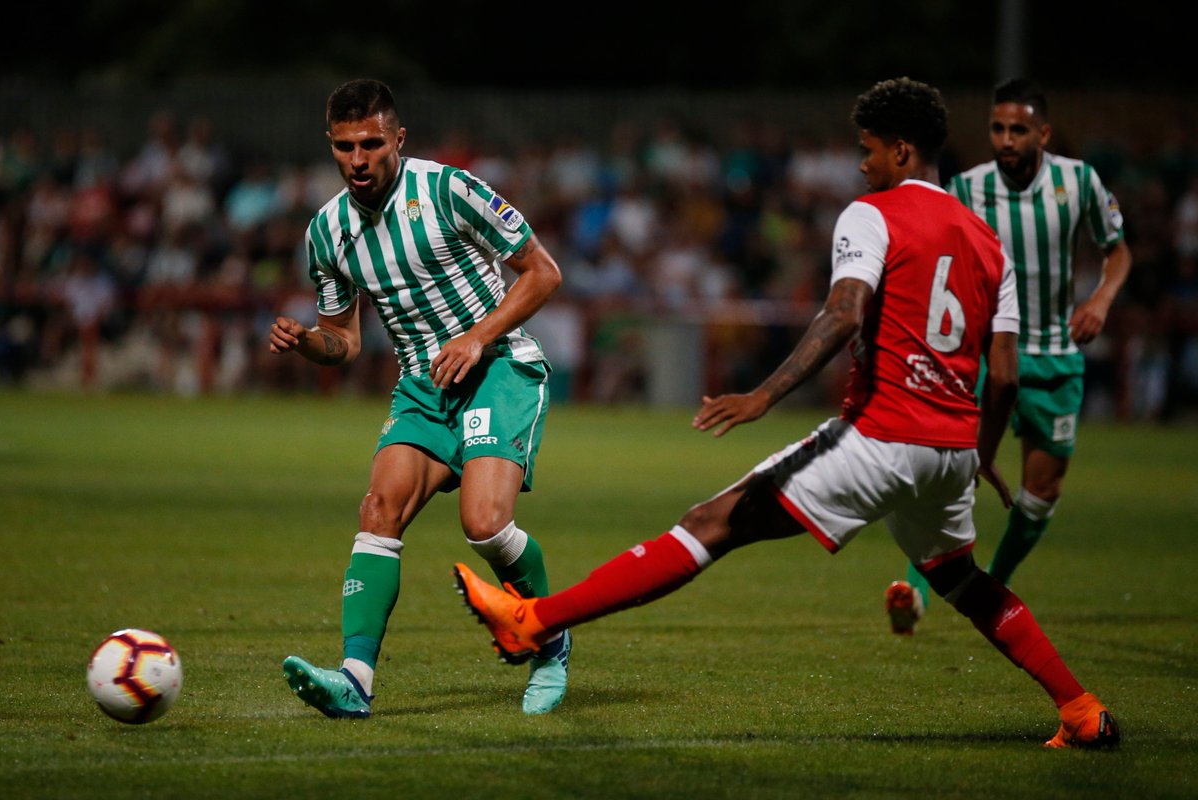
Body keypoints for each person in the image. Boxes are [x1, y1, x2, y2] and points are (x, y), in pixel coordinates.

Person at [453, 77, 1119, 749]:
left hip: (880, 434)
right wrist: (981, 452)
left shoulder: (873, 213)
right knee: (961, 580)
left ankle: (533, 620)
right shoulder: (988, 242)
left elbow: (843, 312)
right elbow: (1002, 376)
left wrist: (763, 395)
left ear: (901, 149)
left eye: (869, 150)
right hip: (950, 451)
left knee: (709, 524)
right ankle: (1081, 709)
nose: (863, 164)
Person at [270, 78, 571, 717]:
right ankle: (354, 682)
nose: (358, 159)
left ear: (398, 140)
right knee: (378, 508)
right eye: (344, 147)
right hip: (423, 386)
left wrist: (476, 336)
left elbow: (543, 272)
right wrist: (306, 344)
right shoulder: (326, 231)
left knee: (484, 524)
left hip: (497, 367)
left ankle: (550, 640)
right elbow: (343, 342)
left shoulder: (448, 190)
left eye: (371, 144)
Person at [886, 78, 1133, 635]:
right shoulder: (967, 189)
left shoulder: (1080, 181)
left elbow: (1118, 252)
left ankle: (990, 584)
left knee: (1041, 491)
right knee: (952, 472)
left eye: (1018, 129)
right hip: (980, 356)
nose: (1005, 139)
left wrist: (1100, 299)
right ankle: (914, 587)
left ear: (1042, 133)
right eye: (997, 128)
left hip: (1054, 356)